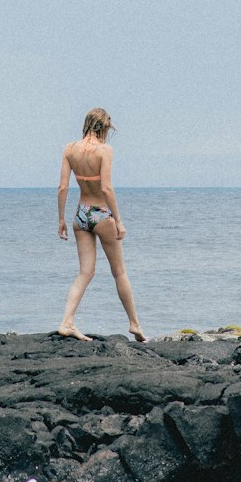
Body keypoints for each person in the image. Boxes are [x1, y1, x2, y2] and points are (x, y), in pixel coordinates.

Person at [57, 107, 145, 342]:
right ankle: (134, 324)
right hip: (101, 214)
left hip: (81, 214)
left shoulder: (69, 149)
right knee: (120, 272)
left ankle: (67, 321)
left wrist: (61, 220)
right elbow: (106, 188)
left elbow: (63, 187)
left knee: (85, 272)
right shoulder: (104, 151)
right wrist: (119, 220)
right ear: (103, 128)